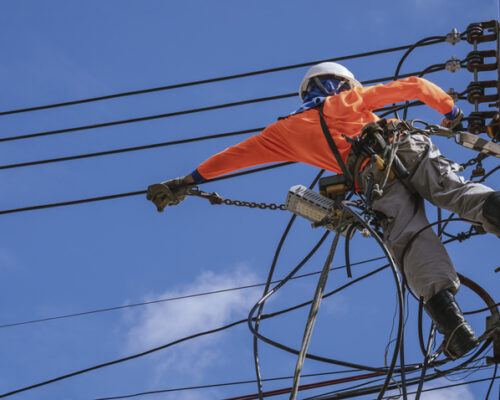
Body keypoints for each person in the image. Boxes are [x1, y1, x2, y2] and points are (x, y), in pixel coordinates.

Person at [147, 62, 500, 359]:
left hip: (371, 174)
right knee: (455, 192)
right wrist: (451, 112)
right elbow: (417, 86)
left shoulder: (282, 133)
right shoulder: (347, 101)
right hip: (401, 146)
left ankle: (453, 327)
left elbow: (233, 157)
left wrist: (186, 181)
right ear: (341, 84)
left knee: (409, 239)